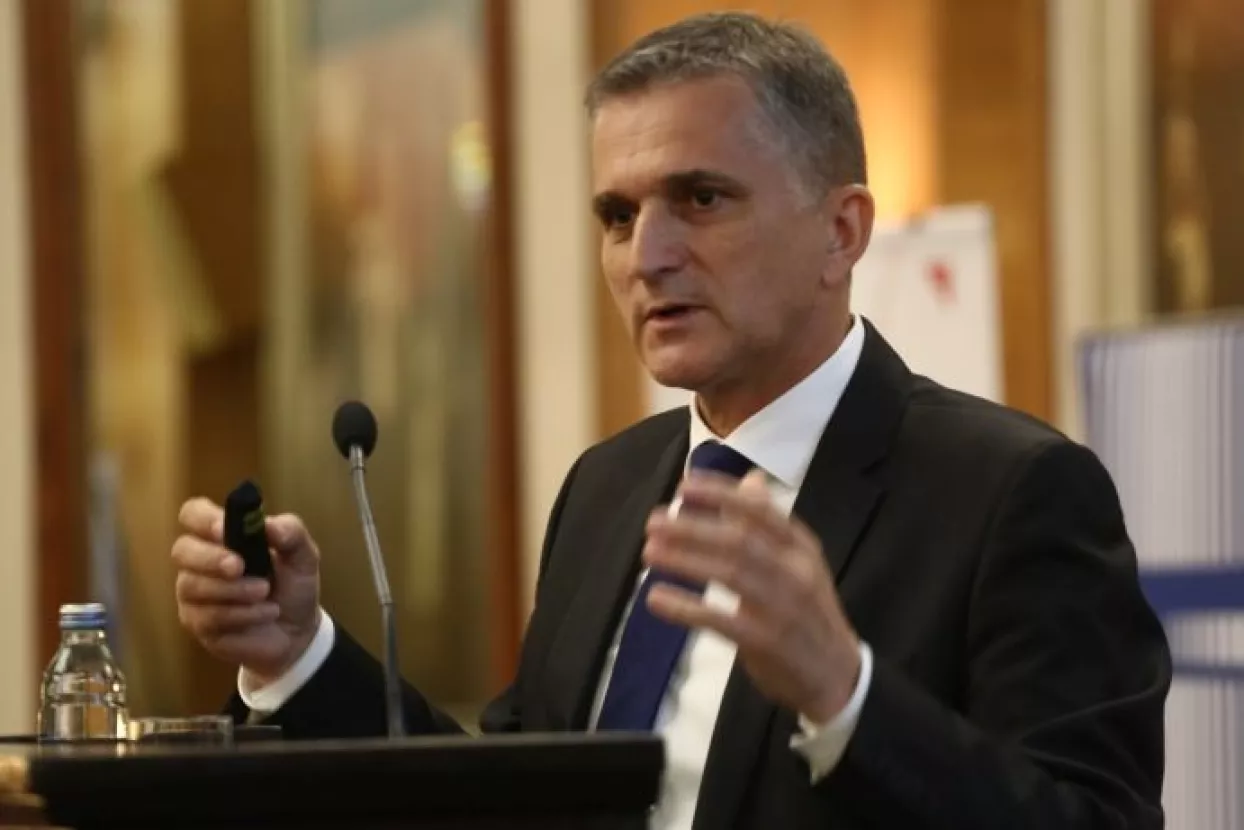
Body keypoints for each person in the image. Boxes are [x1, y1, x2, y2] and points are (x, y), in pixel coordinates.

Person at [171, 11, 1170, 829]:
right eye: (616, 215)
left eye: (699, 199)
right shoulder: (606, 488)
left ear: (840, 231)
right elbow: (508, 797)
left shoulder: (1010, 494)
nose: (646, 257)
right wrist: (294, 650)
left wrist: (845, 694)